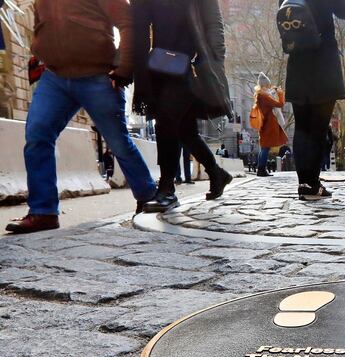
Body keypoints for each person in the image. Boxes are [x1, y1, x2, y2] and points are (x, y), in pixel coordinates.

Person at [6, 0, 158, 234]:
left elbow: (128, 24)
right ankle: (43, 212)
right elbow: (40, 25)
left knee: (117, 142)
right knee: (37, 135)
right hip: (54, 77)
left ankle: (148, 196)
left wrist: (124, 68)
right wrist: (39, 52)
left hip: (98, 76)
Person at [132, 0, 233, 213]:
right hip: (160, 66)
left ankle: (167, 188)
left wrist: (214, 62)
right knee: (185, 131)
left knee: (166, 121)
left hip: (192, 66)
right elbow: (138, 25)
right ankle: (216, 173)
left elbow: (214, 24)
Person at [281, 0, 345, 200]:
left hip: (297, 65)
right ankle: (312, 184)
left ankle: (303, 183)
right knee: (318, 128)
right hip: (323, 65)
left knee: (302, 127)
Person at [254, 73, 287, 177]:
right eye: (267, 85)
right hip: (268, 124)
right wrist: (280, 93)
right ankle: (261, 169)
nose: (269, 87)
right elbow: (280, 104)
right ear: (265, 85)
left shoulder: (259, 95)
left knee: (264, 147)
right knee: (265, 147)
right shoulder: (264, 96)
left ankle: (261, 169)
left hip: (264, 123)